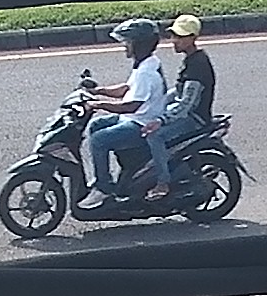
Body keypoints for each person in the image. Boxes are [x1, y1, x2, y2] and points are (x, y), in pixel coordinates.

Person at [84, 18, 175, 203]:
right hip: (132, 118)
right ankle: (117, 172)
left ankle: (103, 188)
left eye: (128, 42)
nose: (125, 46)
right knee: (95, 125)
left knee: (99, 140)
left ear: (139, 45)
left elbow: (131, 106)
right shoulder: (146, 63)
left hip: (141, 124)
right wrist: (98, 91)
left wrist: (99, 105)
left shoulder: (146, 72)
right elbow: (126, 89)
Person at [157, 13, 217, 152]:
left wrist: (162, 119)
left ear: (193, 38)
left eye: (180, 37)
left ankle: (162, 167)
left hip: (194, 119)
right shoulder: (191, 59)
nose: (174, 40)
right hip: (185, 114)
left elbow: (187, 104)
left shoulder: (198, 65)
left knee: (155, 136)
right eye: (174, 36)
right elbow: (178, 91)